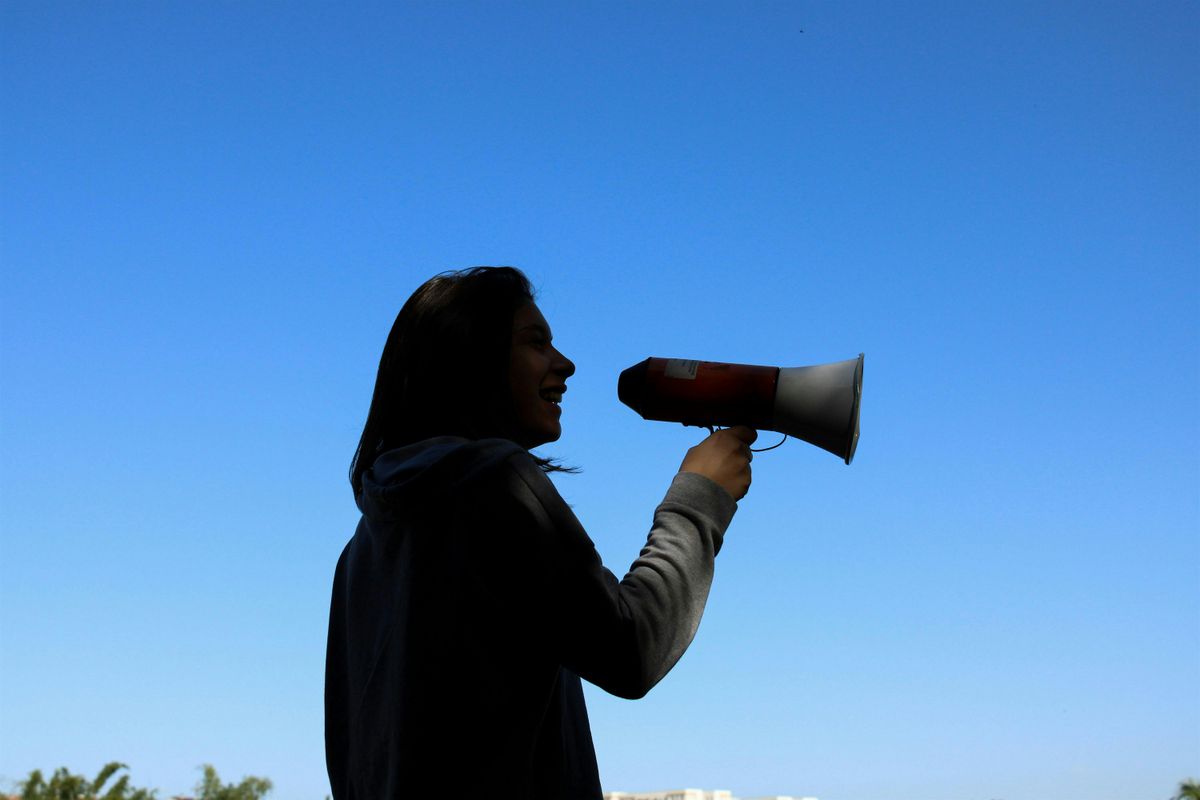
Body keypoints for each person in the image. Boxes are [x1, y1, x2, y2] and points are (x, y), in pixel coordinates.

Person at [324, 266, 756, 798]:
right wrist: (700, 497)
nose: (566, 364)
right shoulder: (494, 481)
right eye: (535, 342)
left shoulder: (361, 550)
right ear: (469, 357)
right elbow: (632, 650)